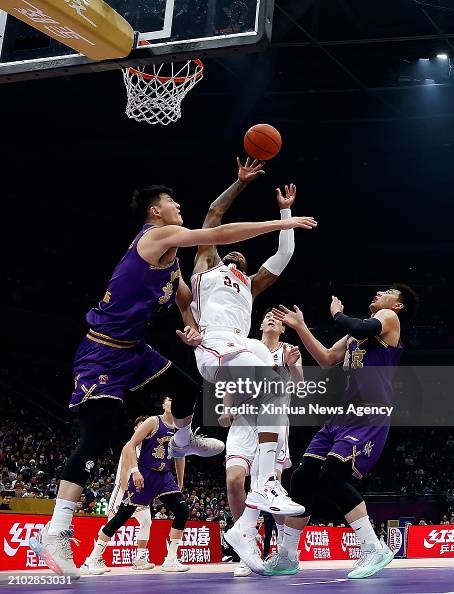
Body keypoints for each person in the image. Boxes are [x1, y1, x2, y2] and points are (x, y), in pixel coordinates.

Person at [29, 180, 310, 578]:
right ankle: (55, 531)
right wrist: (280, 220)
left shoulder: (179, 266)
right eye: (171, 201)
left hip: (137, 351)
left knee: (186, 389)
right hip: (103, 351)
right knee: (97, 433)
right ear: (155, 211)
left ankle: (182, 439)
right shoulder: (157, 236)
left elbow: (182, 300)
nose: (179, 205)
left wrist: (192, 327)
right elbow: (216, 228)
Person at [190, 158, 317, 572]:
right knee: (267, 371)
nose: (240, 256)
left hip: (240, 353)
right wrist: (240, 183)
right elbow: (213, 215)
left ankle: (252, 512)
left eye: (244, 258)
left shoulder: (251, 284)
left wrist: (286, 214)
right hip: (216, 346)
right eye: (236, 252)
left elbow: (285, 252)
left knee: (276, 384)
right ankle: (262, 489)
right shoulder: (209, 267)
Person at [263, 284, 418, 579]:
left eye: (388, 292)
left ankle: (374, 547)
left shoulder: (388, 318)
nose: (379, 293)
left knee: (332, 476)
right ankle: (287, 555)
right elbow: (325, 358)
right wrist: (301, 327)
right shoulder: (355, 332)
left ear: (397, 306)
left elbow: (360, 327)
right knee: (303, 475)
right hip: (341, 415)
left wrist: (337, 314)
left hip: (369, 412)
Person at [224, 308, 303, 577]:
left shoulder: (289, 351)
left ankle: (283, 548)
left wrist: (292, 367)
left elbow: (300, 389)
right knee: (235, 481)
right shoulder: (245, 347)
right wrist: (225, 408)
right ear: (260, 323)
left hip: (273, 422)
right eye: (268, 316)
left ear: (283, 329)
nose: (272, 318)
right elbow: (228, 380)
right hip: (244, 421)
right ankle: (247, 547)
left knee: (270, 489)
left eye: (278, 319)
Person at [81, 396, 188, 574]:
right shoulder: (153, 421)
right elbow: (130, 445)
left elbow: (180, 455)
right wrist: (134, 471)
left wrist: (181, 480)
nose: (173, 402)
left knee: (182, 511)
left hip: (164, 477)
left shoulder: (181, 428)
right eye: (169, 399)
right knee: (120, 518)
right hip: (144, 475)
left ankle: (170, 559)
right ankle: (91, 559)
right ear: (163, 404)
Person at [103, 415, 157, 571]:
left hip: (141, 493)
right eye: (140, 426)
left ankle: (140, 558)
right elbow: (124, 472)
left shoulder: (151, 450)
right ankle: (95, 558)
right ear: (135, 429)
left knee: (146, 521)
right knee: (111, 524)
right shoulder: (130, 446)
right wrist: (127, 491)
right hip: (123, 491)